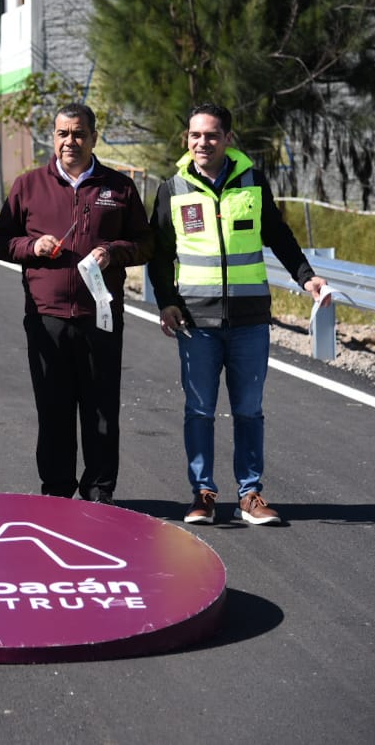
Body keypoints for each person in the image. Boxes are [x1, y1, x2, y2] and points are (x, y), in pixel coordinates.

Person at [147, 103, 330, 526]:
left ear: (228, 138)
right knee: (199, 411)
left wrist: (306, 277)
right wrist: (166, 302)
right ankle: (203, 493)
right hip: (196, 323)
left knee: (249, 410)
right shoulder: (172, 188)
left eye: (211, 135)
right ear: (186, 140)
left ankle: (250, 494)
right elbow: (158, 255)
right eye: (195, 135)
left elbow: (279, 235)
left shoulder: (252, 182)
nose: (202, 143)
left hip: (249, 321)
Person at [0, 103, 154, 504]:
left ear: (94, 137)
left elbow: (146, 243)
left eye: (79, 134)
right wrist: (33, 246)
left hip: (100, 316)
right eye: (63, 134)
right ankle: (57, 491)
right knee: (53, 409)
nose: (70, 142)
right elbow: (1, 242)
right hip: (47, 317)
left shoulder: (119, 187)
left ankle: (100, 491)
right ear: (53, 137)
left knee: (100, 410)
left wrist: (113, 252)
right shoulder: (28, 185)